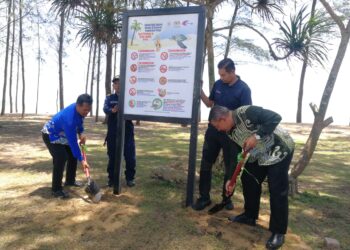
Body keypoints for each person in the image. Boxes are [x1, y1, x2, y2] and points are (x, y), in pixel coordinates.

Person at [209, 105, 295, 250]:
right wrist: (231, 179)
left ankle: (278, 232)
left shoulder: (247, 112)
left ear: (223, 119)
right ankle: (250, 216)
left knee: (277, 189)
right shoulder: (230, 132)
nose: (218, 130)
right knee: (249, 180)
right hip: (258, 154)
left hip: (279, 150)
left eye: (218, 126)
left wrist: (256, 136)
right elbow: (235, 157)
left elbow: (275, 118)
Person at [192, 58, 252, 211]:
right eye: (220, 74)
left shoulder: (243, 89)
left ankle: (227, 198)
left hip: (232, 135)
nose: (221, 78)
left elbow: (246, 115)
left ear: (233, 72)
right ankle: (204, 197)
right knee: (206, 162)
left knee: (230, 167)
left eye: (224, 75)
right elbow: (209, 103)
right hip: (213, 132)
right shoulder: (218, 84)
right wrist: (199, 90)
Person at [42, 94, 92, 199]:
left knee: (72, 156)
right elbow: (73, 143)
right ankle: (56, 189)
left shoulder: (78, 111)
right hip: (51, 134)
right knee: (61, 157)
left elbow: (80, 122)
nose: (86, 113)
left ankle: (70, 181)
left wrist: (81, 133)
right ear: (78, 105)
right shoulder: (69, 119)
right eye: (84, 110)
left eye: (88, 110)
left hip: (62, 134)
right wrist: (82, 160)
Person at [103, 76, 136, 187]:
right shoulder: (110, 97)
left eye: (120, 83)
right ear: (113, 86)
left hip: (127, 131)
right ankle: (112, 179)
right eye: (115, 83)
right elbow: (105, 108)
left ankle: (130, 178)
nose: (118, 85)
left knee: (130, 156)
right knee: (112, 156)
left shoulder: (129, 97)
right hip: (113, 131)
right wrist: (112, 110)